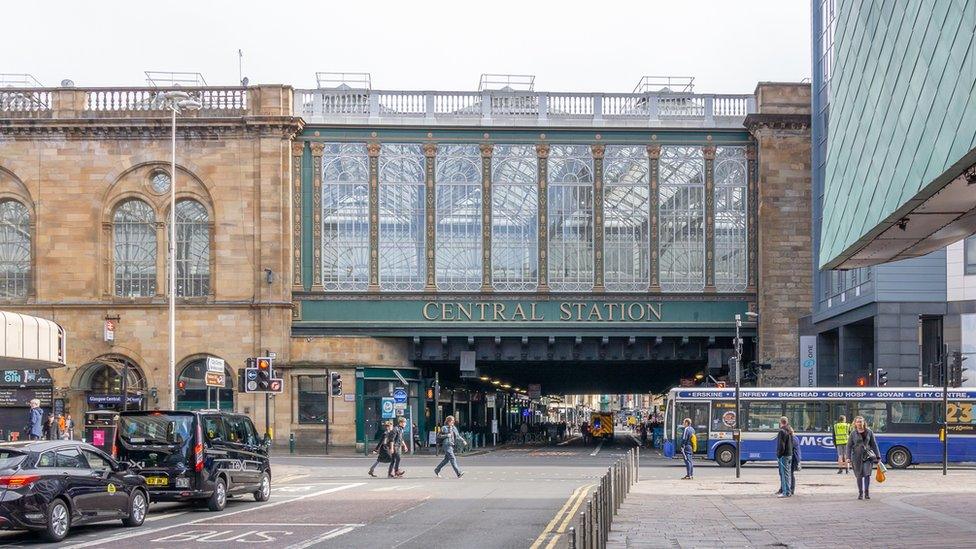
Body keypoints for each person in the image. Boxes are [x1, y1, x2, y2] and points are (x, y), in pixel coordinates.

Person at [847, 415, 881, 500]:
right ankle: (860, 493)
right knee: (859, 475)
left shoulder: (869, 432)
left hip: (867, 456)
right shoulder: (853, 433)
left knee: (867, 474)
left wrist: (878, 456)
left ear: (864, 422)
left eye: (861, 421)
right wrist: (848, 457)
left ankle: (866, 493)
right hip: (856, 457)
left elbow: (874, 444)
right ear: (855, 423)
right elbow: (849, 446)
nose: (859, 423)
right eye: (857, 422)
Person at [775, 416, 793, 497]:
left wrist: (779, 455)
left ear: (781, 422)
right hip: (789, 454)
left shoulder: (781, 431)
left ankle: (786, 492)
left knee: (784, 474)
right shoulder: (789, 430)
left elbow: (781, 445)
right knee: (787, 474)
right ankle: (788, 491)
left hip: (784, 455)